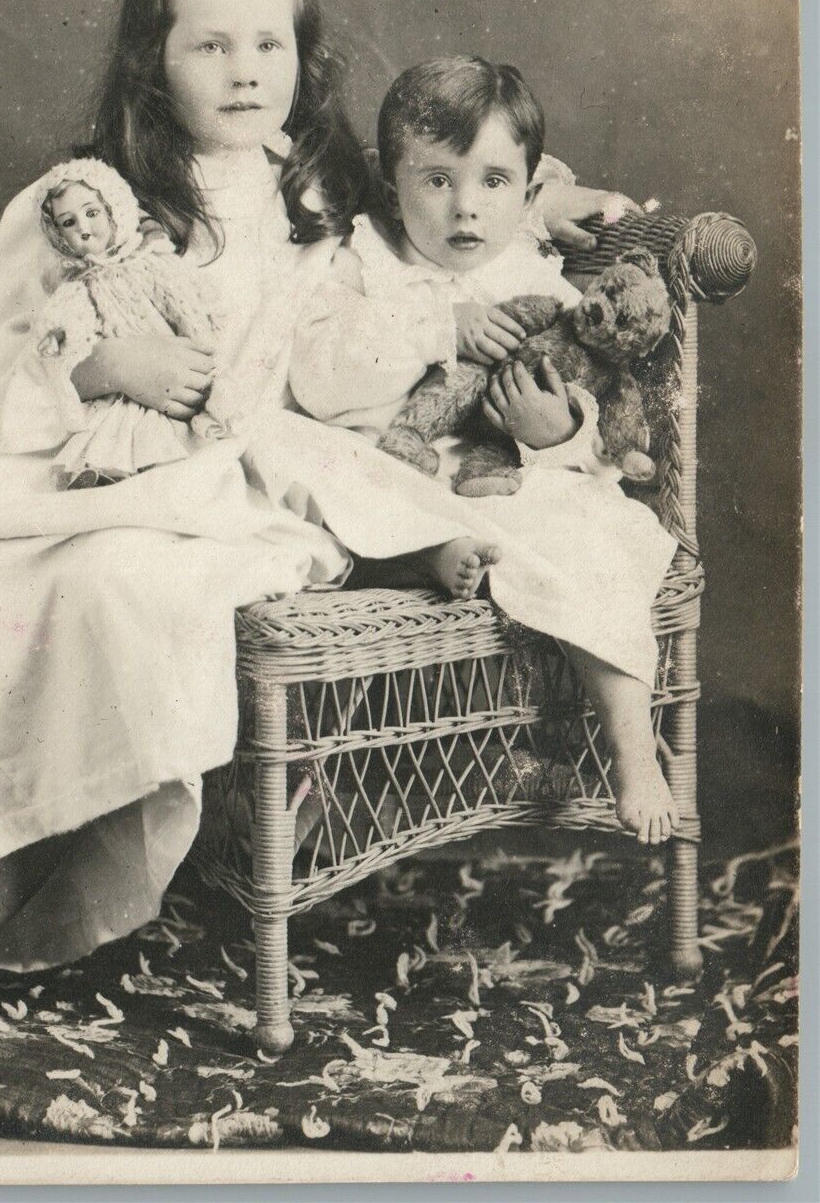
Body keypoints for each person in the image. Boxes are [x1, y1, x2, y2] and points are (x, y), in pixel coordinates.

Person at [0, 0, 640, 1041]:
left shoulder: (315, 187)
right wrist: (112, 362)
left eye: (269, 43)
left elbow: (448, 203)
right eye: (209, 44)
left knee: (120, 586)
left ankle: (49, 853)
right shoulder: (105, 193)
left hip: (247, 479)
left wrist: (557, 197)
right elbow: (12, 346)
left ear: (302, 56)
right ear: (154, 61)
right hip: (95, 463)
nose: (245, 70)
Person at [283, 56, 680, 845]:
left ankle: (633, 749)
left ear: (529, 197)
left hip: (501, 483)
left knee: (597, 535)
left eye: (493, 183)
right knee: (309, 461)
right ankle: (423, 554)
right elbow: (316, 378)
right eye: (435, 180)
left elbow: (601, 406)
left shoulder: (537, 280)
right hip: (394, 469)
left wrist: (556, 432)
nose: (464, 207)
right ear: (389, 184)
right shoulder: (362, 260)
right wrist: (435, 328)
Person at [31, 158, 229, 489]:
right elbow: (72, 324)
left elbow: (183, 304)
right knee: (112, 430)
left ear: (115, 210)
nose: (83, 228)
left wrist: (205, 345)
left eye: (92, 213)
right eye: (68, 222)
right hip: (126, 386)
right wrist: (56, 337)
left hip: (172, 366)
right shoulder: (79, 286)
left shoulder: (149, 263)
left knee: (167, 438)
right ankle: (104, 475)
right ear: (58, 235)